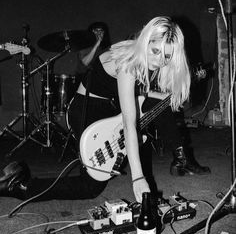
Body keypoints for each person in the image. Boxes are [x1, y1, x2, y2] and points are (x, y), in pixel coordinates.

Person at [0, 16, 209, 204]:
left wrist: (168, 94)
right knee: (91, 186)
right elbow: (129, 124)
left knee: (159, 105)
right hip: (86, 110)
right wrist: (138, 177)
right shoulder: (128, 62)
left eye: (167, 57)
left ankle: (181, 159)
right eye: (156, 52)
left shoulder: (140, 53)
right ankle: (20, 186)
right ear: (146, 41)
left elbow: (137, 92)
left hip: (109, 104)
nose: (159, 61)